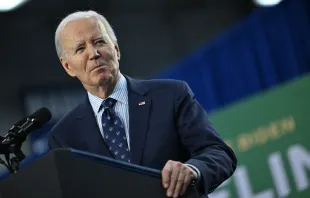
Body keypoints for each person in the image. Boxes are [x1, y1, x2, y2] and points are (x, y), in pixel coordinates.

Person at [48, 10, 237, 198]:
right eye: (80, 49)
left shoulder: (171, 95)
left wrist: (193, 170)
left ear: (116, 49)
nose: (94, 53)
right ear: (67, 66)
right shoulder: (64, 136)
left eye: (99, 42)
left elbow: (219, 154)